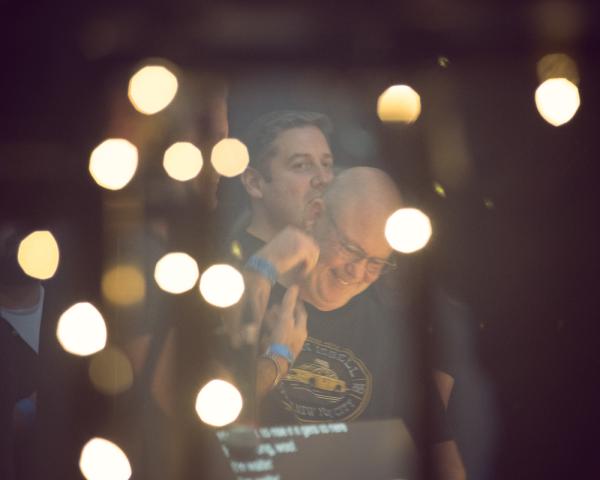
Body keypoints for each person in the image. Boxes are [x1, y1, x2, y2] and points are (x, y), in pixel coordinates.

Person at [227, 167, 466, 479]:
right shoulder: (242, 295)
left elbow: (445, 461)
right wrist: (277, 359)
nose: (357, 272)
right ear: (315, 214)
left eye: (376, 263)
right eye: (351, 249)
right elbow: (202, 422)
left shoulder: (397, 336)